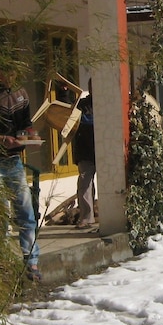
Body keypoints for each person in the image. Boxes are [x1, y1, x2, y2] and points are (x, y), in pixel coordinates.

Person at [0, 68, 41, 281]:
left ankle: (31, 260)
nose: (9, 77)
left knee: (26, 209)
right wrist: (1, 139)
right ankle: (1, 261)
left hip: (13, 159)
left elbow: (26, 124)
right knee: (0, 211)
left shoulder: (21, 94)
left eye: (13, 73)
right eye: (5, 73)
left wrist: (30, 136)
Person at [72, 87, 96, 229]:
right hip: (85, 151)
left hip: (105, 150)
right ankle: (87, 218)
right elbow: (68, 115)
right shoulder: (81, 105)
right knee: (84, 183)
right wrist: (63, 91)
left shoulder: (109, 104)